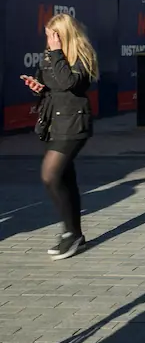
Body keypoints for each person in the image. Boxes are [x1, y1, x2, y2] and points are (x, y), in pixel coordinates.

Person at [21, 14, 99, 260]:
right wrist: (39, 87)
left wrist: (56, 53)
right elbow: (51, 84)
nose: (49, 40)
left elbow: (69, 83)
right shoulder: (50, 56)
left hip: (73, 123)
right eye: (47, 36)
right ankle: (74, 234)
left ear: (63, 35)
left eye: (52, 35)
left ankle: (70, 233)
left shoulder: (81, 55)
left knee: (50, 175)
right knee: (65, 178)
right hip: (53, 122)